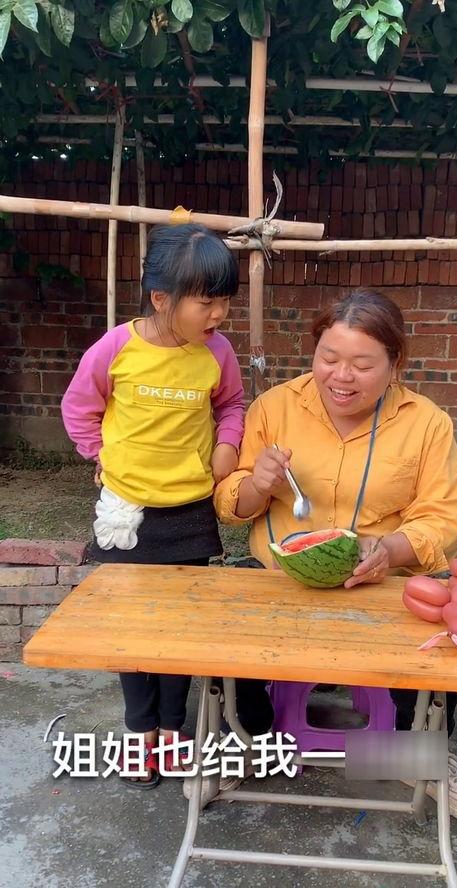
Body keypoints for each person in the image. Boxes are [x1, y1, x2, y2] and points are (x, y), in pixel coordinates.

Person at [215, 288, 457, 827]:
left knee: (444, 634)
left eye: (362, 364)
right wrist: (255, 485)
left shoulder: (427, 423)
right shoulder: (275, 407)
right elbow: (231, 505)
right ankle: (247, 741)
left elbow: (443, 515)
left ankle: (417, 757)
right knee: (229, 636)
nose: (341, 377)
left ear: (395, 366)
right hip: (280, 577)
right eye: (328, 358)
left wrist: (391, 550)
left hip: (384, 581)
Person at [61, 223, 273, 789]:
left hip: (189, 513)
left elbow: (231, 405)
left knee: (180, 631)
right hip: (127, 514)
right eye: (208, 302)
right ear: (162, 299)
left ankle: (174, 734)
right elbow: (79, 407)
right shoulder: (115, 349)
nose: (219, 314)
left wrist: (228, 444)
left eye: (225, 301)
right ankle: (140, 735)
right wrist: (100, 456)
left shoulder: (218, 353)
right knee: (131, 630)